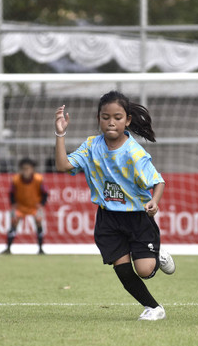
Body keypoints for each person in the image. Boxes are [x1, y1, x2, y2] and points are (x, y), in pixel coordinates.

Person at [53, 91, 176, 321]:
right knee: (122, 268)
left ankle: (156, 255)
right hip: (108, 219)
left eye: (117, 117)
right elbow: (62, 165)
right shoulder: (91, 146)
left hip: (137, 217)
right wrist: (60, 134)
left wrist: (154, 202)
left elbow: (158, 181)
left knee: (145, 270)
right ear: (98, 118)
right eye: (105, 116)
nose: (111, 122)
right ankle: (154, 308)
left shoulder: (135, 153)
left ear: (127, 120)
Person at [1, 158, 48, 255]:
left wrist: (42, 204)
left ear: (32, 169)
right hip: (20, 206)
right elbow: (11, 193)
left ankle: (40, 249)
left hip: (35, 206)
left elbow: (45, 193)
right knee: (14, 223)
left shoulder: (38, 179)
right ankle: (8, 248)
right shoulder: (16, 179)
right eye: (24, 169)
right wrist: (13, 205)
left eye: (28, 169)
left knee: (39, 222)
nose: (26, 171)